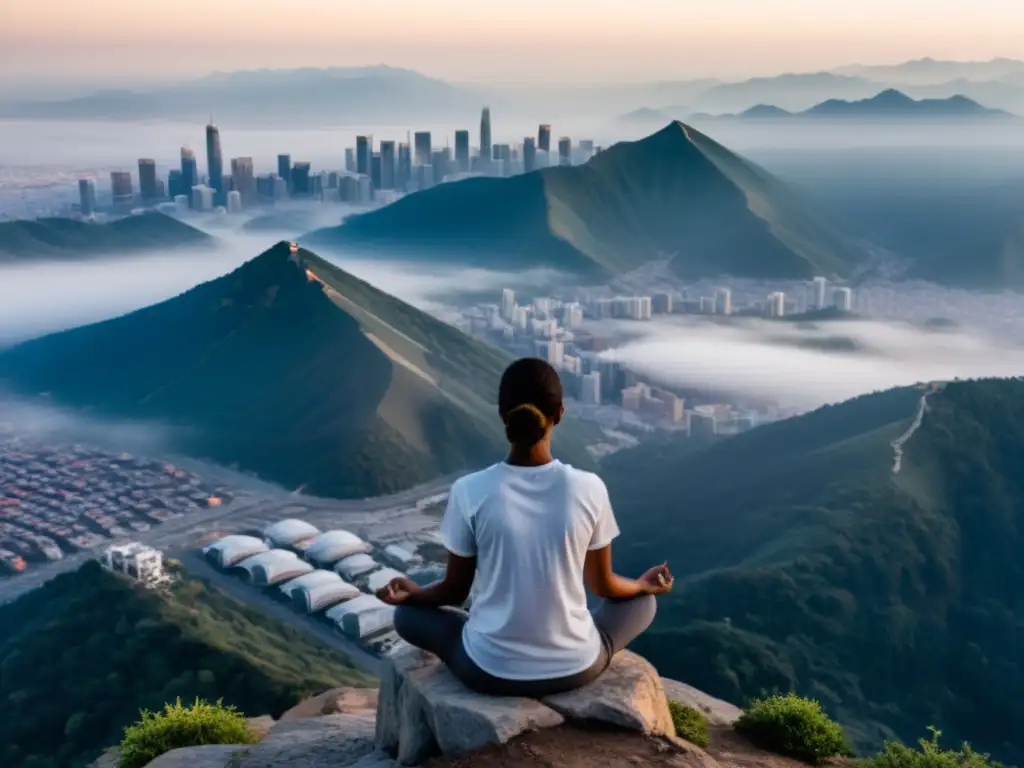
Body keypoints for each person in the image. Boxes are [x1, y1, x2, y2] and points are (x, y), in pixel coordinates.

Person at [376, 357, 673, 698]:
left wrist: (414, 594)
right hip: (576, 668)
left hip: (489, 672)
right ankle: (575, 639)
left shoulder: (469, 490)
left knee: (407, 617)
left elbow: (454, 593)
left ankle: (490, 642)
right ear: (559, 414)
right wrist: (641, 584)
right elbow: (602, 584)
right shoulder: (589, 487)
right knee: (643, 603)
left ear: (502, 415)